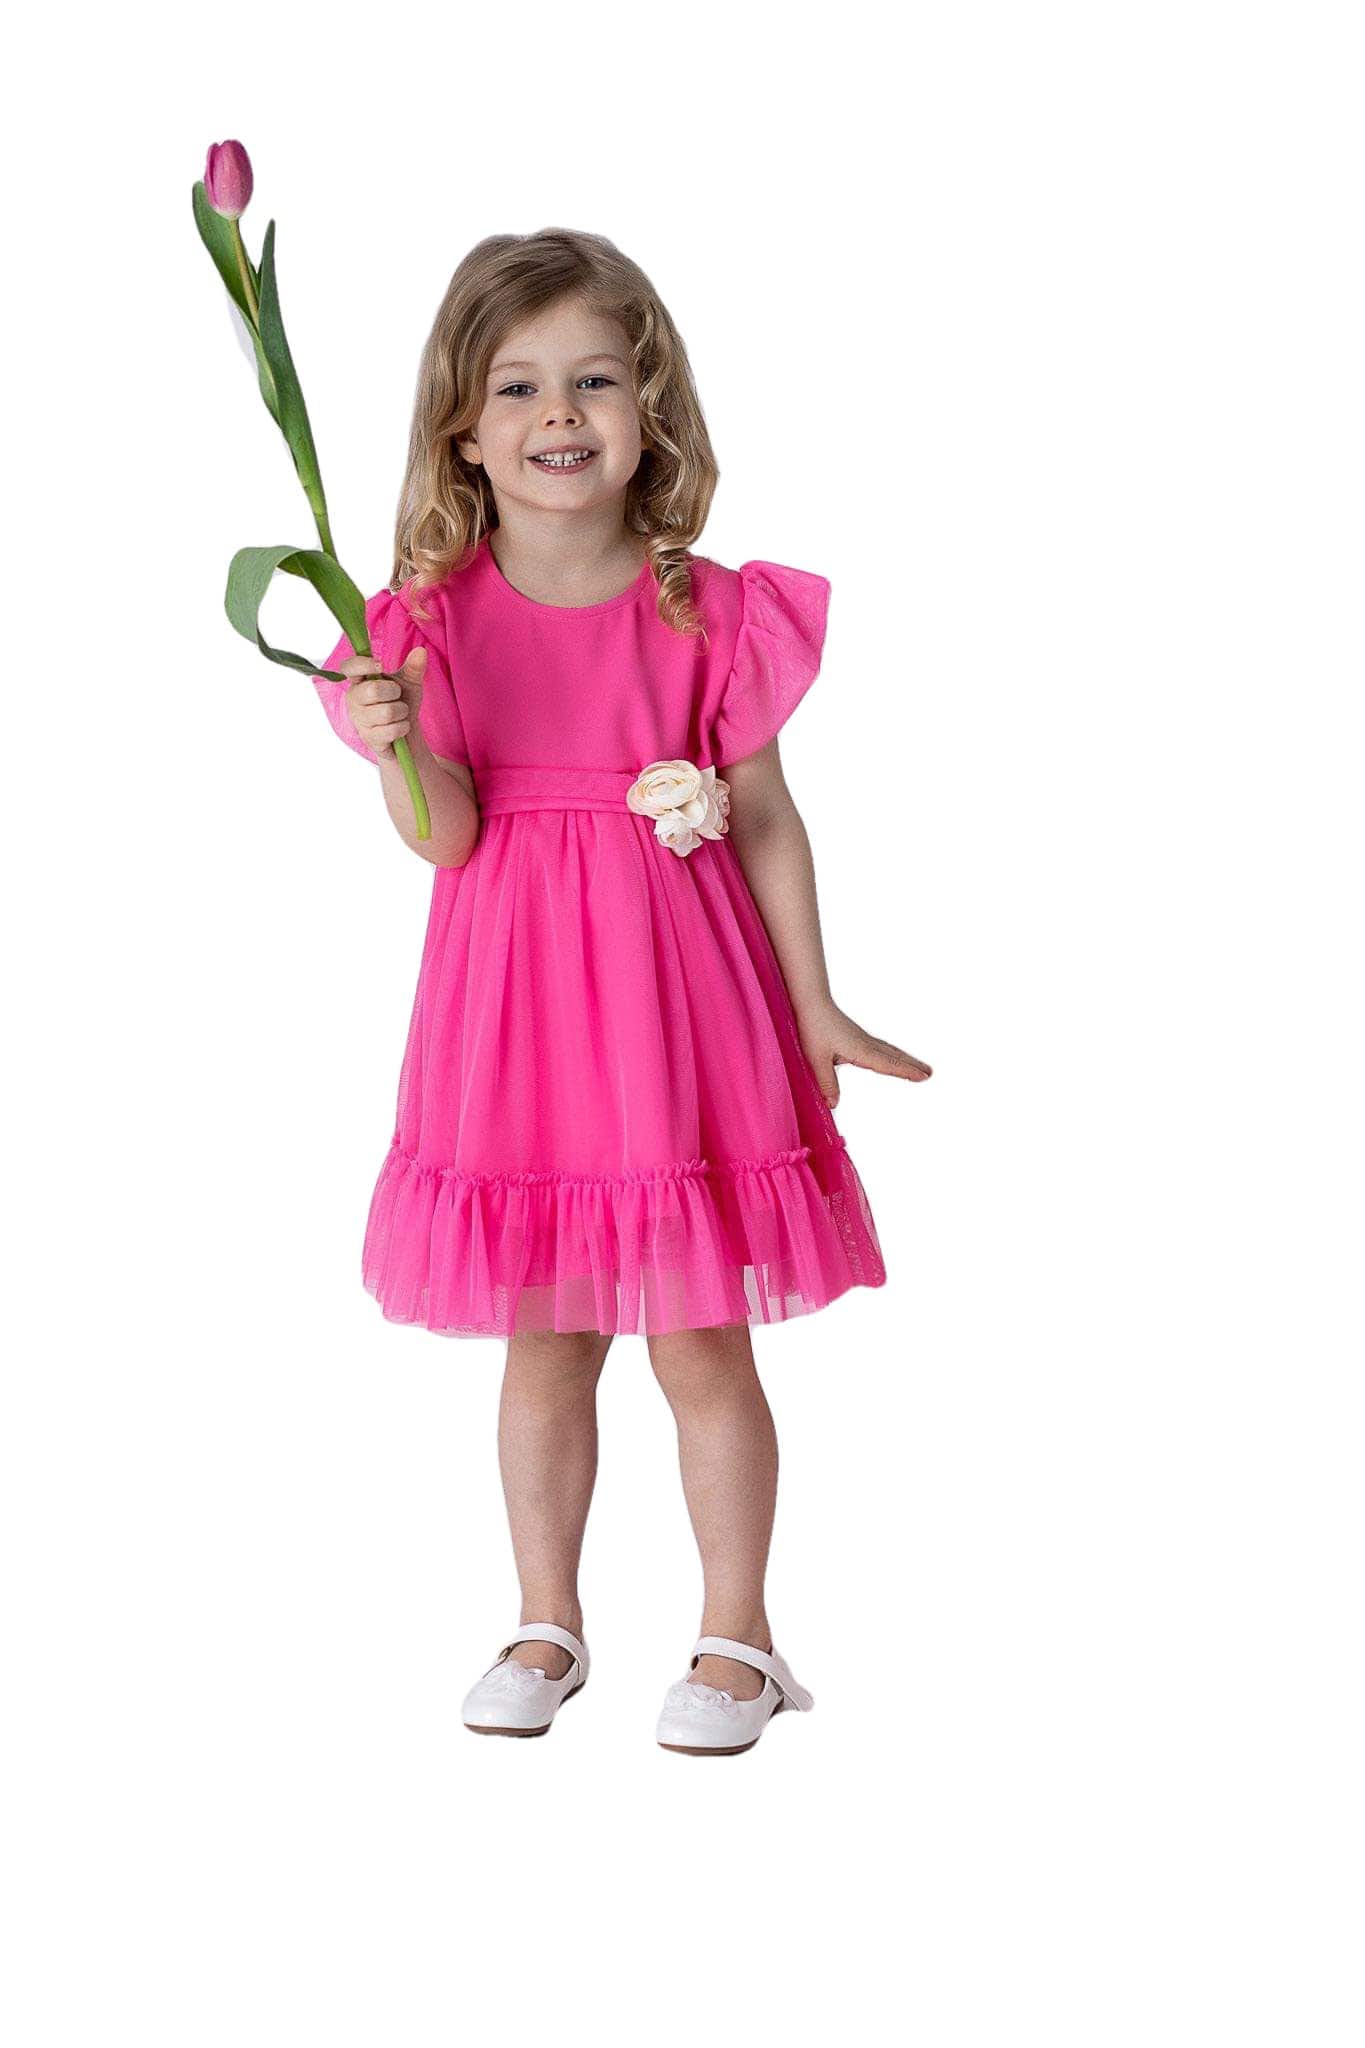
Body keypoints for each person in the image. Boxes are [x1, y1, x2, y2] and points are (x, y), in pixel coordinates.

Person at [311, 228, 932, 1755]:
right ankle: (546, 1621)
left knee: (701, 1335)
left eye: (593, 379)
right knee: (546, 1334)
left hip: (682, 1011)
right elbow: (445, 838)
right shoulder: (419, 625)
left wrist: (813, 1004)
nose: (558, 413)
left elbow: (764, 817)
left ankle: (739, 1636)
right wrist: (397, 744)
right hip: (516, 1016)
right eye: (516, 386)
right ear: (463, 428)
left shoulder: (708, 609)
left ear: (648, 407)